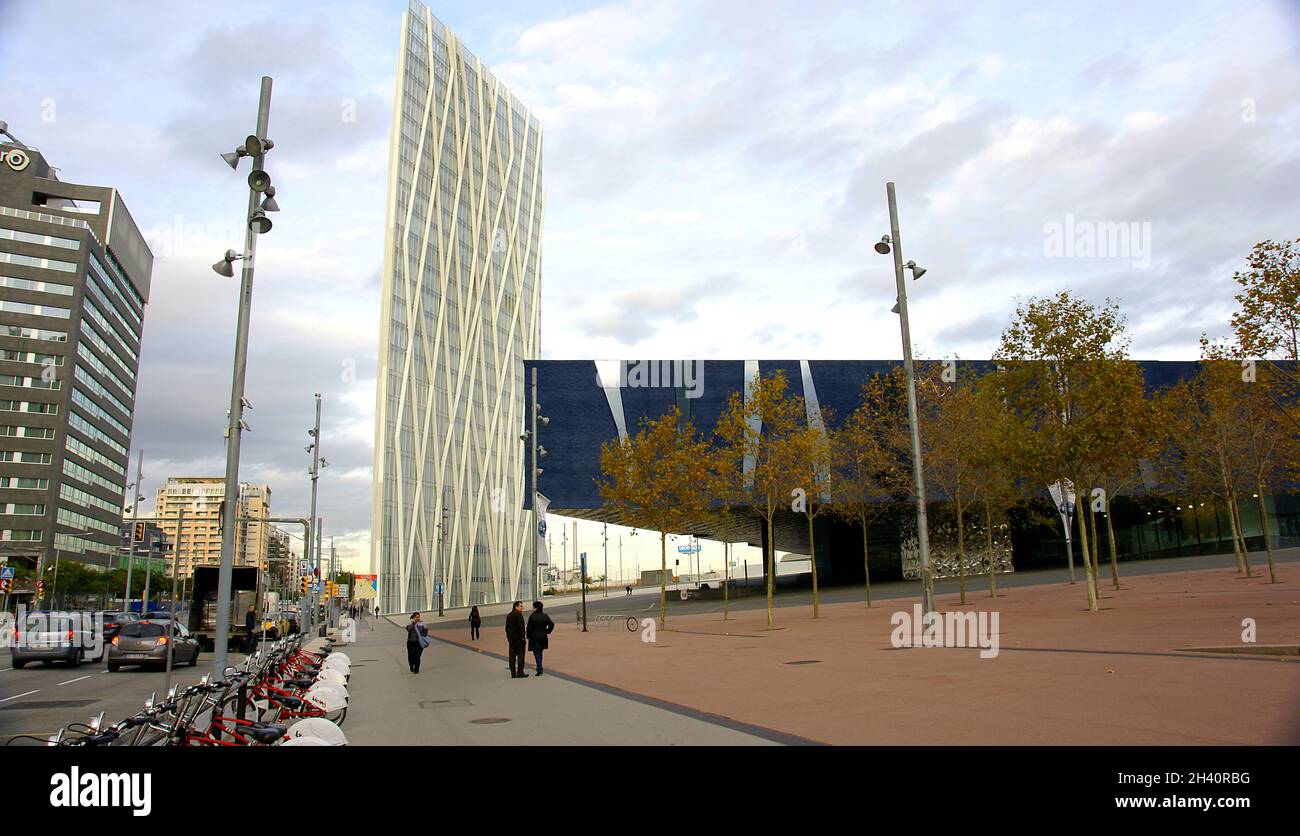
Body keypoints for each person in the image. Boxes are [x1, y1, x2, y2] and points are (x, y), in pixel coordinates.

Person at [526, 601, 555, 676]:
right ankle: (540, 667)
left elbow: (529, 628)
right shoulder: (545, 616)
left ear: (535, 608)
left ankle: (539, 669)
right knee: (540, 652)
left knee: (536, 653)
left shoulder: (532, 617)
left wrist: (528, 636)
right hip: (543, 636)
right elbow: (551, 624)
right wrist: (547, 631)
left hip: (534, 637)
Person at [505, 601, 527, 678]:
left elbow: (507, 628)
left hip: (511, 640)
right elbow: (521, 627)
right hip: (519, 640)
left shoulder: (509, 615)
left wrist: (508, 637)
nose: (522, 607)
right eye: (521, 606)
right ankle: (520, 672)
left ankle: (513, 673)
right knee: (521, 656)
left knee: (512, 656)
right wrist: (522, 637)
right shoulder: (519, 615)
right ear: (516, 607)